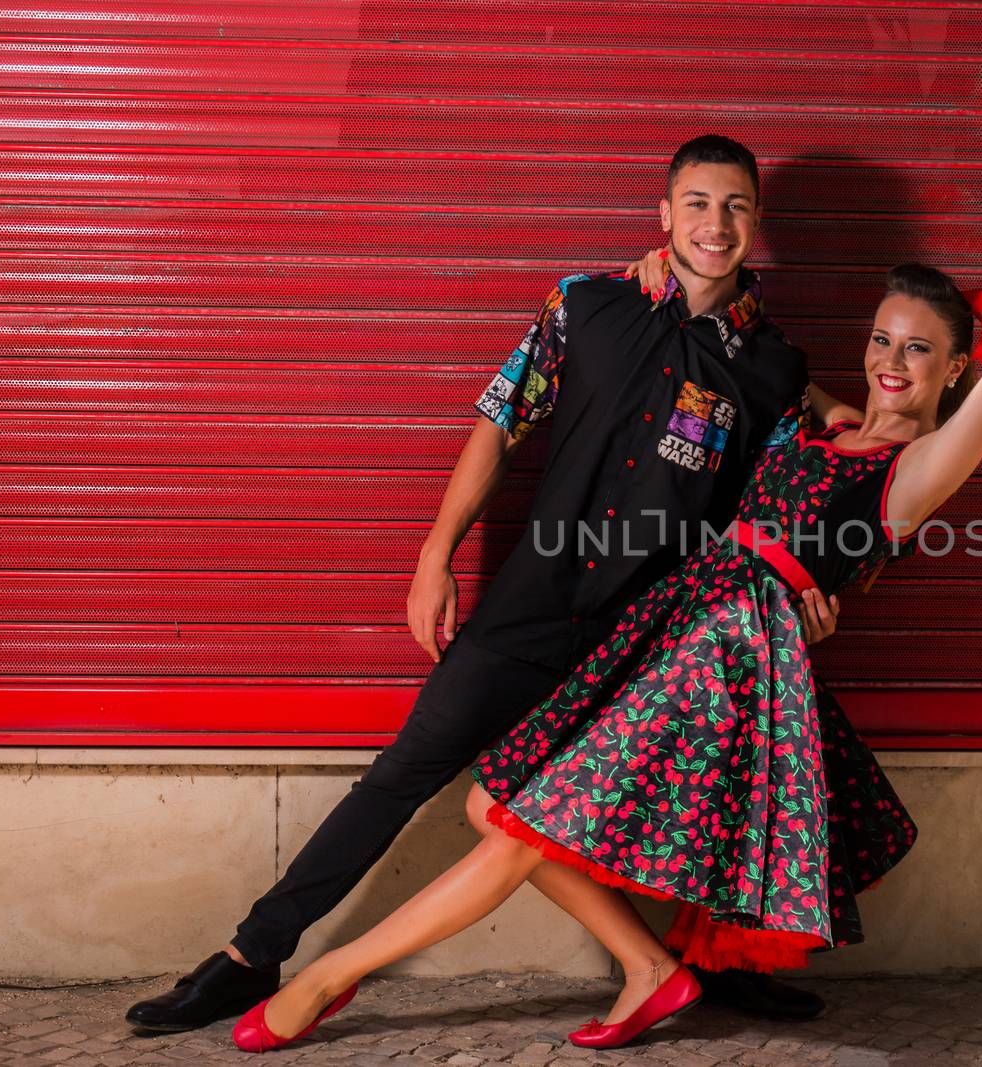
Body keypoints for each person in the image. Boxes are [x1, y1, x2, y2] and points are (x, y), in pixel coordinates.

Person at [229, 161, 982, 1051]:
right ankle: (651, 970)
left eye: (920, 351)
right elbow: (746, 398)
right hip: (673, 624)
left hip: (722, 660)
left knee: (517, 820)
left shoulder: (916, 472)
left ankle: (323, 975)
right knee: (498, 799)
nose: (891, 362)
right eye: (881, 338)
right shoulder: (818, 424)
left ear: (956, 370)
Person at [125, 133, 852, 1033]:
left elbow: (774, 511)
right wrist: (436, 553)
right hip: (531, 604)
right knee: (398, 777)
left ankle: (718, 962)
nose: (716, 223)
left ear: (757, 223)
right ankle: (250, 955)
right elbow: (501, 422)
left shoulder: (775, 369)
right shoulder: (583, 306)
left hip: (651, 638)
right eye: (698, 203)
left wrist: (806, 592)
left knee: (708, 795)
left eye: (736, 206)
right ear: (665, 215)